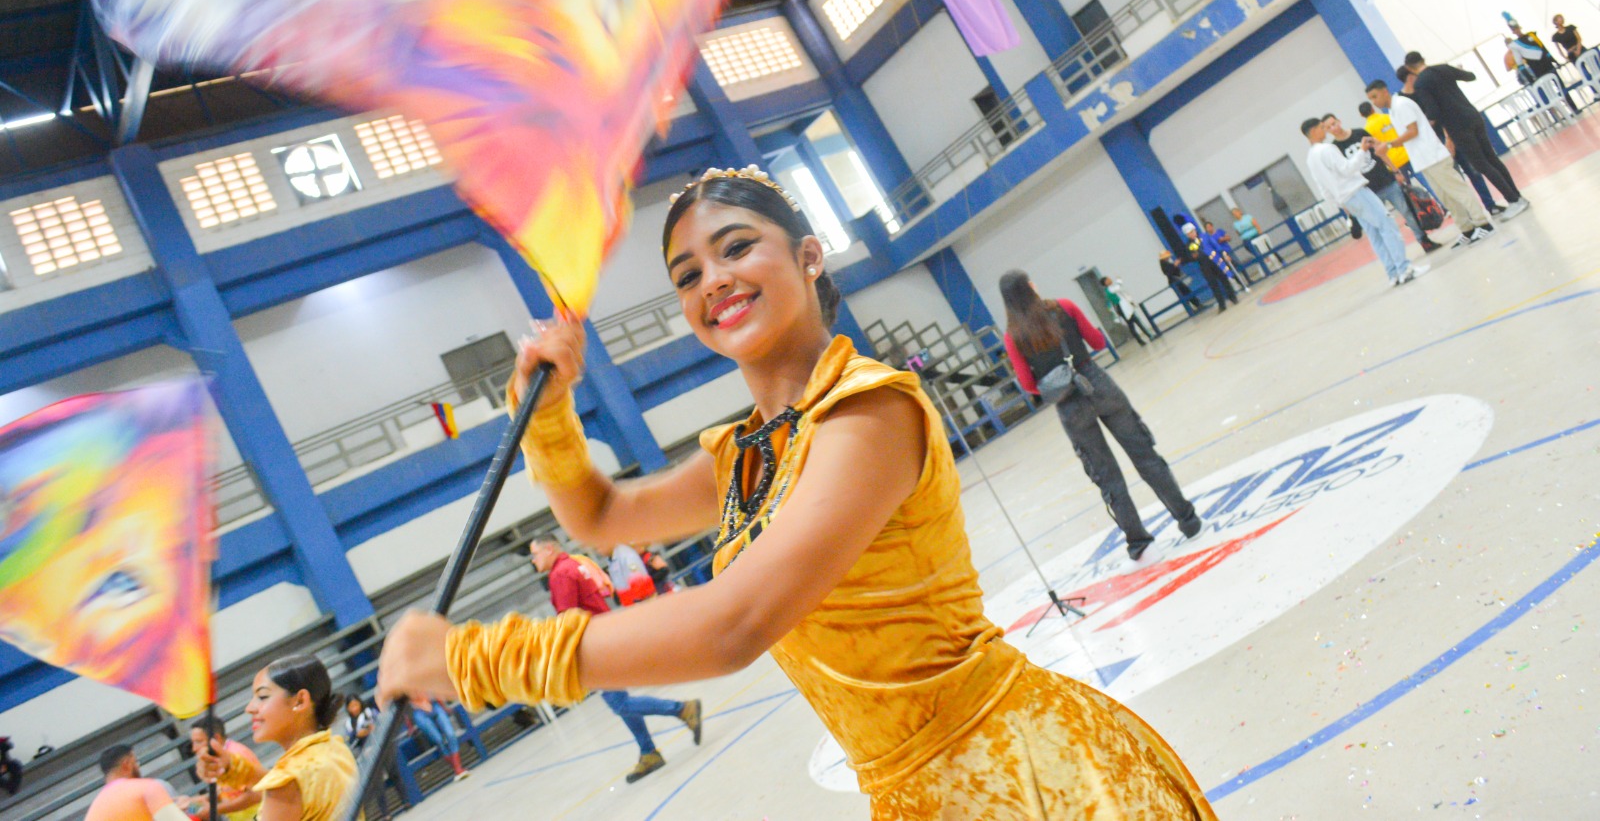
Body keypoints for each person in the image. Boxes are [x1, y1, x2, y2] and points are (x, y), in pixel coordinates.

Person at [374, 167, 1217, 819]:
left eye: (737, 247)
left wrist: (472, 661)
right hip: (915, 795)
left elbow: (735, 622)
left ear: (809, 256)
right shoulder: (747, 455)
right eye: (687, 272)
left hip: (1024, 771)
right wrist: (553, 418)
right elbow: (597, 514)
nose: (713, 279)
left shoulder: (870, 411)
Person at [1002, 272, 1202, 563]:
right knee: (1145, 455)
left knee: (1108, 479)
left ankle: (1142, 547)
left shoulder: (1013, 337)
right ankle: (1190, 522)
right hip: (1098, 383)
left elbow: (1029, 385)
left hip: (1069, 405)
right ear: (1031, 287)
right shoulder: (1064, 306)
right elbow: (1097, 342)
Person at [529, 535, 700, 782]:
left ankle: (683, 709)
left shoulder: (560, 575)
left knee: (619, 703)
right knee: (621, 701)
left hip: (593, 645)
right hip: (603, 636)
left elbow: (568, 621)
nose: (534, 561)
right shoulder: (577, 564)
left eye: (535, 554)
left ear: (548, 549)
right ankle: (648, 751)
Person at [197, 655, 356, 821]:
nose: (249, 708)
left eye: (263, 697)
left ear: (300, 701)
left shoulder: (285, 784)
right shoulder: (333, 746)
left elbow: (285, 784)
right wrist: (231, 766)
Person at [1301, 117, 1429, 286]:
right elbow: (1347, 169)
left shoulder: (1310, 159)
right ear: (1313, 131)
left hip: (1347, 199)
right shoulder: (1327, 149)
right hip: (1357, 192)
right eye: (1321, 127)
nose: (1325, 130)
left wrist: (1340, 203)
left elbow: (1323, 187)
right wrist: (1361, 151)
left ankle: (1393, 274)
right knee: (1387, 226)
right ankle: (1404, 269)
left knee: (1374, 235)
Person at [1368, 79, 1494, 248]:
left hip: (1434, 157)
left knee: (1458, 191)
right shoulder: (1392, 111)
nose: (1374, 102)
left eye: (1375, 96)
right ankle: (1467, 229)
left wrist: (1390, 144)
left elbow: (1413, 131)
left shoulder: (1402, 105)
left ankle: (1483, 223)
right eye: (1371, 99)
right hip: (1423, 160)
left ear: (1384, 91)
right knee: (1447, 198)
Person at [1404, 52, 1530, 217]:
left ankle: (1513, 200)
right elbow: (1470, 76)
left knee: (1481, 164)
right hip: (1472, 116)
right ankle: (1518, 196)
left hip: (1457, 126)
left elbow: (1433, 111)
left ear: (1409, 68)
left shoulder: (1421, 83)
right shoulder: (1443, 68)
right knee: (1492, 159)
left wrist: (1426, 124)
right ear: (1423, 59)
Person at [1320, 113, 1440, 253]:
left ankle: (1424, 241)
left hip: (1386, 180)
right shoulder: (1335, 149)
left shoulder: (1360, 133)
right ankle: (1395, 253)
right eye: (1329, 127)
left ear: (1339, 121)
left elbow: (1380, 151)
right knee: (1382, 224)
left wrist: (1395, 171)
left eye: (1334, 123)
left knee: (1407, 211)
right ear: (1327, 131)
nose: (1333, 128)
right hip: (1367, 190)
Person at [179, 718, 261, 821]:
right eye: (193, 743)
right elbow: (229, 792)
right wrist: (191, 802)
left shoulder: (237, 755)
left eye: (199, 742)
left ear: (216, 739)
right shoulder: (221, 757)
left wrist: (213, 809)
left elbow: (256, 795)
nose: (194, 749)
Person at [86, 745, 186, 821]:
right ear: (126, 765)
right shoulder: (147, 788)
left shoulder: (94, 811)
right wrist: (193, 808)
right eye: (136, 763)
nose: (138, 767)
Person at [1181, 222, 1238, 311]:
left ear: (1195, 230)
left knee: (1224, 279)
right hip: (1204, 265)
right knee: (1213, 284)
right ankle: (1222, 304)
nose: (1192, 234)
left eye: (1192, 231)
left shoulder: (1205, 236)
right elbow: (1190, 257)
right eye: (1189, 233)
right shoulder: (1188, 245)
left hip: (1215, 261)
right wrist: (1193, 256)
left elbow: (1215, 245)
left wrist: (1224, 254)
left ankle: (1232, 297)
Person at [406, 705, 470, 782]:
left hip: (433, 704)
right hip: (417, 711)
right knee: (438, 740)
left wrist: (444, 706)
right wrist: (409, 726)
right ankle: (458, 769)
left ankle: (458, 769)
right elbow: (402, 707)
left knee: (450, 735)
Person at [1101, 275, 1154, 344]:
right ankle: (1148, 336)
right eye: (1108, 279)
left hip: (1125, 308)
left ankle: (1142, 339)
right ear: (1105, 282)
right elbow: (1118, 287)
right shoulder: (1110, 289)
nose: (1110, 279)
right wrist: (1119, 280)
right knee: (1135, 323)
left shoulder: (1110, 288)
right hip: (1123, 309)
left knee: (1133, 325)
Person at [1231, 206, 1281, 271]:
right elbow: (1238, 233)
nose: (1235, 215)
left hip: (1255, 235)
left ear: (1239, 212)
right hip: (1247, 239)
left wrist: (1260, 234)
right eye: (1234, 214)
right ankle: (1265, 263)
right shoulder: (1235, 224)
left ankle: (1280, 260)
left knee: (1267, 248)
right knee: (1250, 248)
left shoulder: (1248, 217)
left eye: (1236, 213)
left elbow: (1256, 225)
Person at [1158, 249, 1199, 314]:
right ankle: (1191, 309)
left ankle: (1197, 305)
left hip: (1177, 280)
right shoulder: (1164, 265)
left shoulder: (1167, 263)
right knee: (1184, 295)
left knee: (1187, 292)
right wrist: (1175, 265)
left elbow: (1176, 271)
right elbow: (1169, 273)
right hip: (1174, 282)